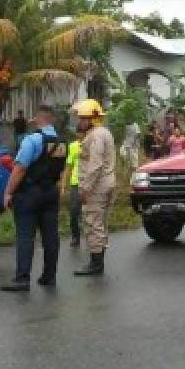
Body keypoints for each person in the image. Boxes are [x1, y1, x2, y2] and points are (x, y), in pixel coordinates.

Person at [0, 105, 67, 292]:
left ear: (38, 119)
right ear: (51, 119)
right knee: (51, 235)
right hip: (51, 193)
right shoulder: (62, 142)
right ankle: (49, 276)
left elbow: (19, 169)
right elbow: (60, 169)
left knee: (25, 236)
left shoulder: (32, 140)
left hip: (30, 193)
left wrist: (8, 192)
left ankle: (22, 279)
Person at [73, 99, 116, 277]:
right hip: (106, 183)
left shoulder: (96, 136)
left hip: (97, 186)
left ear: (92, 118)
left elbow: (96, 164)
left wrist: (84, 188)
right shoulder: (103, 133)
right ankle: (98, 262)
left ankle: (96, 264)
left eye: (83, 118)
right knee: (100, 223)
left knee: (93, 223)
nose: (79, 122)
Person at [64, 130, 83, 249]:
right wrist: (63, 183)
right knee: (74, 211)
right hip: (75, 182)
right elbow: (69, 166)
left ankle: (95, 239)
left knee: (91, 212)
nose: (82, 134)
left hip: (90, 182)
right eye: (80, 133)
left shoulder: (93, 144)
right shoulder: (73, 146)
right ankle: (75, 236)